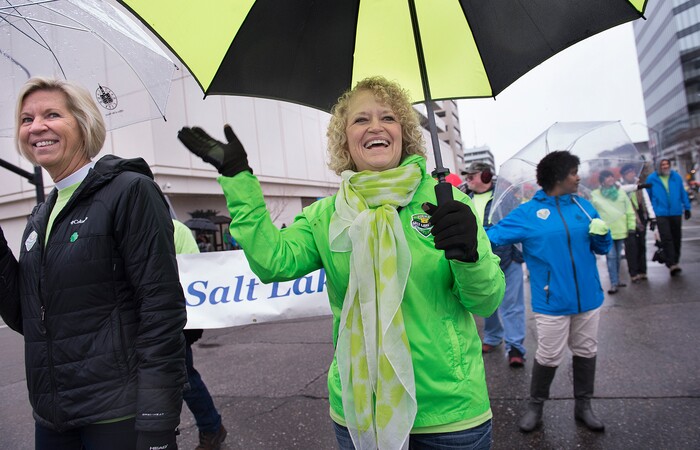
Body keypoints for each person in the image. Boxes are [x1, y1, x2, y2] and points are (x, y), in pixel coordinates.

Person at [177, 76, 505, 450]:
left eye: (388, 117)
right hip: (360, 412)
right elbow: (273, 262)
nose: (375, 127)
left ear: (405, 133)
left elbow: (485, 301)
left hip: (450, 414)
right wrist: (237, 179)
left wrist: (471, 258)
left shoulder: (450, 205)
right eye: (360, 120)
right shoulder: (326, 215)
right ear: (345, 140)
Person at [0, 77, 186, 450]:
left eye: (51, 114)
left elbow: (160, 309)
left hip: (119, 418)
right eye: (26, 119)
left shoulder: (130, 191)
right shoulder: (40, 216)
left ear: (83, 123)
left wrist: (156, 418)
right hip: (53, 420)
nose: (36, 127)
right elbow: (26, 316)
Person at [486, 151, 612, 433]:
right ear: (557, 176)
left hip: (589, 298)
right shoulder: (528, 213)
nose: (578, 177)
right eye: (573, 172)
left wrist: (602, 236)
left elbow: (602, 249)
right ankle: (535, 407)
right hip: (551, 301)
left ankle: (584, 407)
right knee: (549, 355)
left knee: (586, 350)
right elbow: (491, 237)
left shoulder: (583, 207)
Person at [463, 162, 527, 367]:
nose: (468, 180)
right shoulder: (463, 198)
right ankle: (492, 337)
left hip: (509, 258)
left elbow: (518, 224)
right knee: (487, 303)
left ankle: (515, 346)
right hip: (482, 260)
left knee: (512, 306)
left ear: (486, 176)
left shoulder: (505, 196)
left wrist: (518, 253)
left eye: (472, 176)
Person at [173, 220, 228, 450]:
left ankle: (211, 427)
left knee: (185, 381)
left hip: (175, 320)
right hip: (138, 321)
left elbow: (196, 278)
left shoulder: (177, 230)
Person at [590, 170, 635, 294]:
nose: (610, 179)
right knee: (611, 257)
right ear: (602, 180)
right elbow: (592, 213)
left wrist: (631, 225)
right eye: (606, 177)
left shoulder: (621, 192)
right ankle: (613, 283)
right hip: (606, 231)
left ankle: (617, 280)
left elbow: (629, 209)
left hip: (621, 229)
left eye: (611, 176)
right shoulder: (595, 194)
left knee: (618, 258)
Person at [645, 159, 692, 276]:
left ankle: (675, 260)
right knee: (666, 238)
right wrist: (651, 214)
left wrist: (687, 207)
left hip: (675, 211)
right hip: (661, 213)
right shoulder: (652, 179)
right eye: (663, 165)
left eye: (667, 164)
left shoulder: (676, 177)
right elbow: (648, 197)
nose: (665, 167)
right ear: (658, 167)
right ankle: (671, 264)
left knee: (677, 237)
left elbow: (682, 192)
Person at [619, 164, 656, 283]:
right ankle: (633, 272)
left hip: (640, 216)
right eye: (629, 172)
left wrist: (652, 217)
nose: (632, 174)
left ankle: (642, 271)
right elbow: (624, 190)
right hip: (628, 218)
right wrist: (637, 186)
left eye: (633, 172)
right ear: (624, 175)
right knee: (631, 247)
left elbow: (646, 201)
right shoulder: (619, 186)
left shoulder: (639, 184)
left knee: (641, 245)